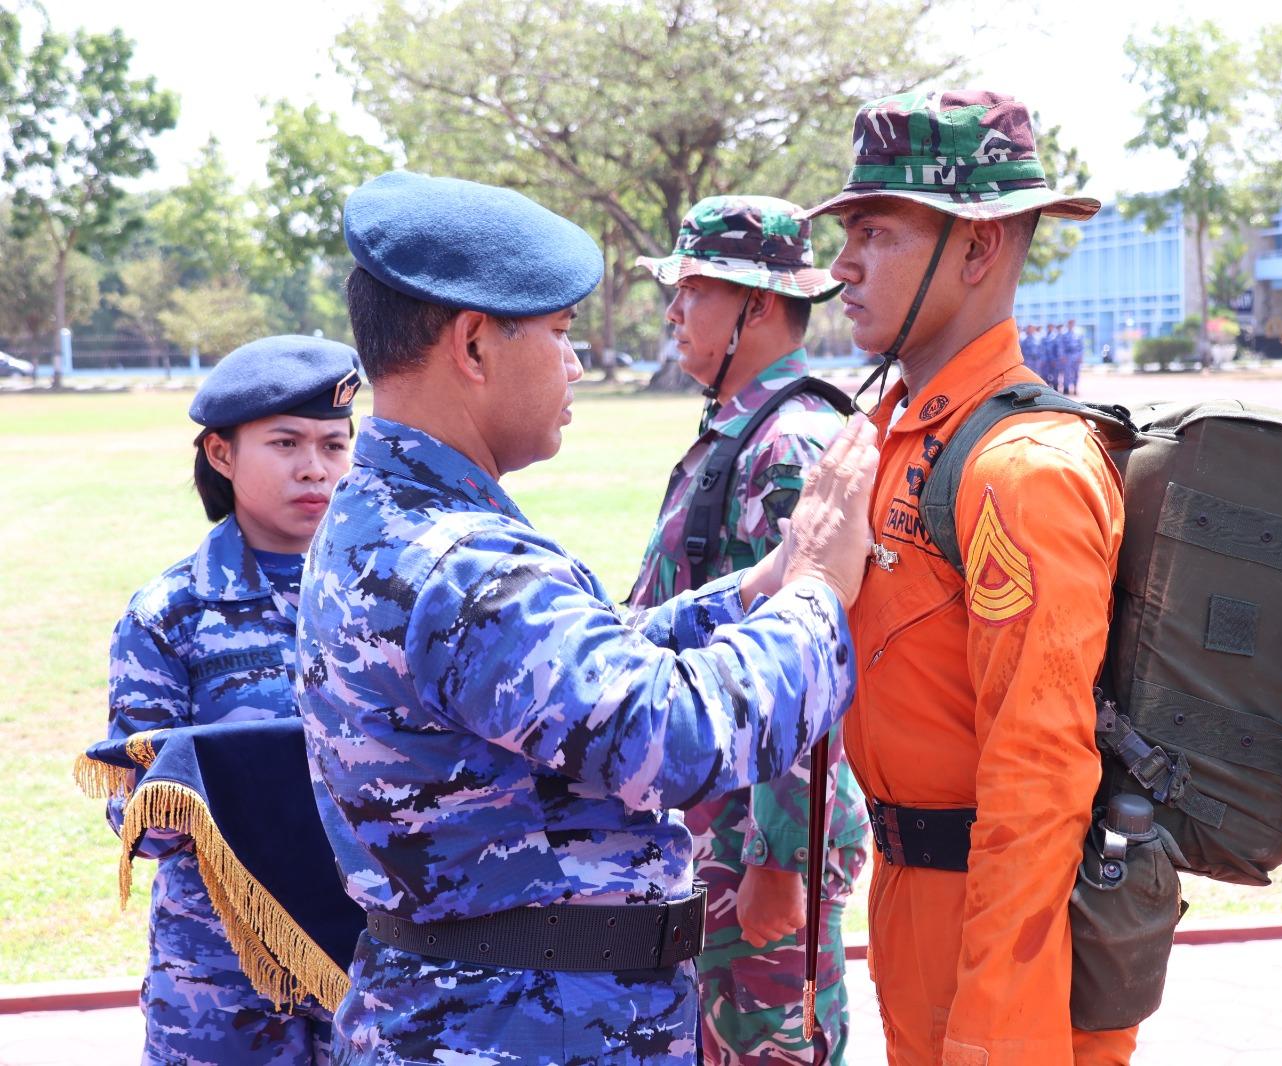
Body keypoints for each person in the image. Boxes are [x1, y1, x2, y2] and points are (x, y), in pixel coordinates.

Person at [296, 170, 879, 1066]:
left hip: (481, 1012)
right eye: (561, 334)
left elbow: (575, 672)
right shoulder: (463, 562)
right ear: (476, 345)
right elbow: (675, 735)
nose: (575, 362)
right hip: (524, 1028)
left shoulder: (388, 512)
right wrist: (818, 591)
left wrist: (749, 591)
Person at [802, 89, 1134, 1065]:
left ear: (979, 248)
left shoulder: (1020, 468)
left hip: (1007, 939)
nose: (842, 265)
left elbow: (1037, 785)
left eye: (875, 231)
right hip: (916, 901)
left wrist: (994, 1038)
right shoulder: (893, 436)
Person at [631, 194, 870, 1065]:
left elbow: (816, 655)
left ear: (757, 305)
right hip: (716, 835)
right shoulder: (746, 430)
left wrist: (782, 857)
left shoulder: (794, 444)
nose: (673, 311)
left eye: (693, 289)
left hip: (756, 850)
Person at [104, 334, 361, 1064]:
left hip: (372, 957)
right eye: (285, 443)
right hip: (219, 977)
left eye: (334, 445)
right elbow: (135, 815)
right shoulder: (171, 612)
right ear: (221, 454)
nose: (314, 468)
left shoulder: (383, 599)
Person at [1061, 317, 1086, 396]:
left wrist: (1081, 356)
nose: (1071, 324)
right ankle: (1066, 389)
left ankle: (1075, 388)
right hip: (1067, 356)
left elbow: (1082, 346)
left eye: (1072, 322)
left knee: (1076, 373)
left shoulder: (1078, 334)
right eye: (1070, 323)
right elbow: (1061, 346)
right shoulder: (1064, 334)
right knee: (1067, 373)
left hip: (1076, 355)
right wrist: (1063, 356)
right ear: (1068, 324)